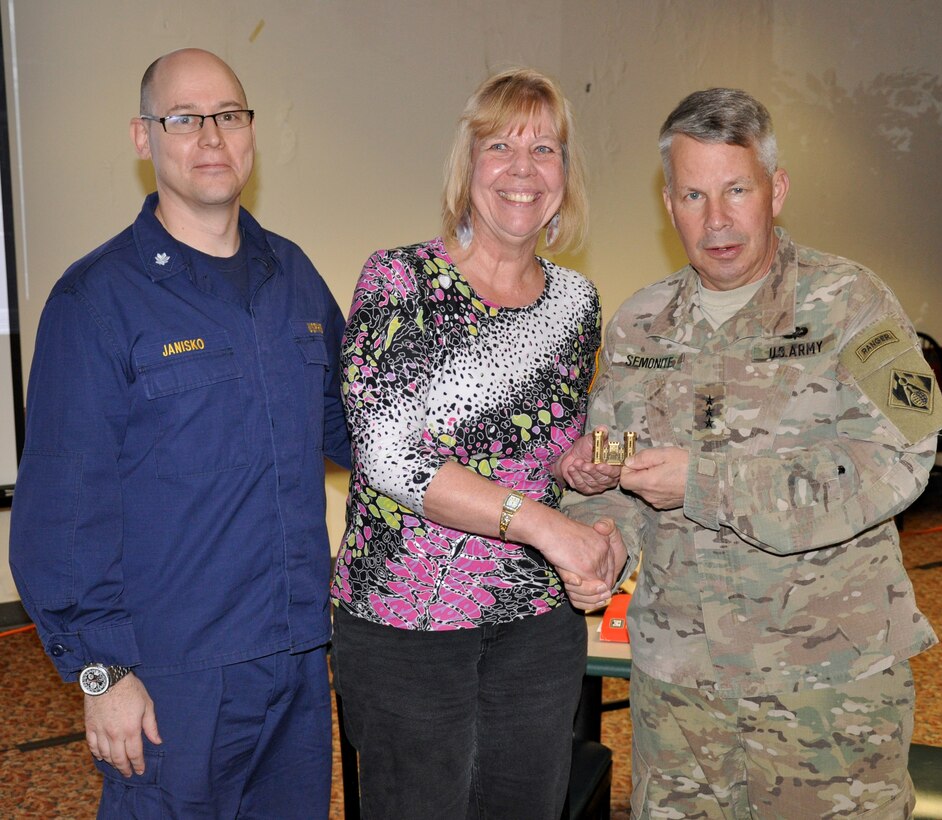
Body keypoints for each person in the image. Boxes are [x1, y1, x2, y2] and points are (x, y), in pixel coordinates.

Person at [562, 88, 942, 819]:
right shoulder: (638, 325)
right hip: (680, 695)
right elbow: (610, 470)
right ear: (667, 202)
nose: (716, 221)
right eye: (692, 195)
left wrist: (707, 482)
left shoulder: (853, 302)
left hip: (827, 693)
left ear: (775, 190)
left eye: (736, 190)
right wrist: (598, 532)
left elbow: (903, 455)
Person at [9, 48, 350, 817]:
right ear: (143, 137)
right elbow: (59, 517)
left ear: (250, 133)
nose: (209, 138)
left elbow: (352, 425)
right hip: (171, 676)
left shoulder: (292, 275)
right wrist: (102, 677)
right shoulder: (96, 300)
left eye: (228, 116)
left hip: (296, 656)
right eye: (183, 119)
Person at [332, 67, 622, 819]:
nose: (523, 170)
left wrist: (578, 473)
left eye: (545, 149)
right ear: (468, 168)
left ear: (565, 175)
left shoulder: (575, 301)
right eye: (501, 146)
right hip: (407, 621)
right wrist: (546, 526)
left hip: (534, 624)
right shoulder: (400, 281)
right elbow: (390, 457)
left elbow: (547, 447)